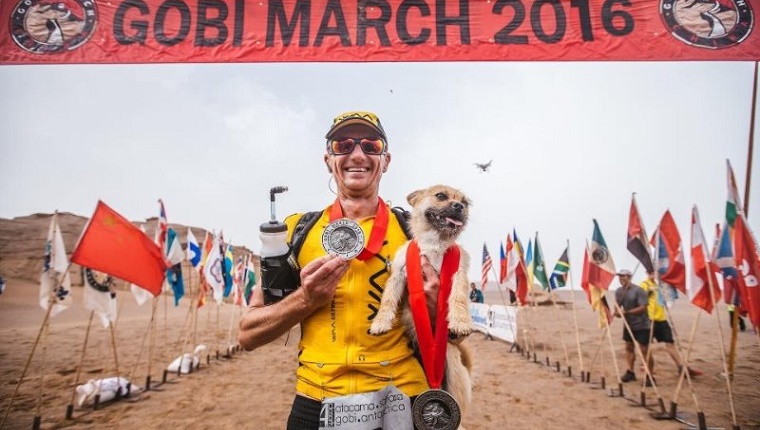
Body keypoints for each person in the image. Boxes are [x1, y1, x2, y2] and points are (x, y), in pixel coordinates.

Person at [238, 111, 444, 429]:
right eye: (344, 144)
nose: (357, 154)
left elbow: (454, 335)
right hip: (317, 395)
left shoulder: (415, 233)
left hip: (402, 392)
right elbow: (249, 333)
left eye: (371, 145)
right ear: (328, 159)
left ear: (386, 160)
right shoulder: (294, 232)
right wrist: (306, 299)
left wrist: (434, 306)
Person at [640, 270, 700, 378]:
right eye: (650, 273)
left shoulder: (661, 285)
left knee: (670, 343)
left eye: (654, 272)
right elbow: (641, 298)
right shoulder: (644, 284)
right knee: (646, 346)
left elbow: (667, 296)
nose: (652, 275)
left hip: (661, 319)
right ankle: (646, 366)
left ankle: (681, 367)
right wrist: (649, 291)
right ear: (647, 273)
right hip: (648, 319)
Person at [614, 269, 652, 385]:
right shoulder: (619, 291)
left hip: (642, 324)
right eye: (619, 277)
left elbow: (643, 307)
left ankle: (649, 376)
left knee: (645, 350)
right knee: (629, 347)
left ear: (629, 277)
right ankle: (630, 372)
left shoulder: (638, 290)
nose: (621, 279)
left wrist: (627, 312)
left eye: (623, 276)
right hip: (628, 325)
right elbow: (617, 306)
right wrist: (617, 312)